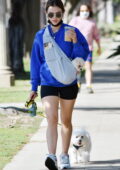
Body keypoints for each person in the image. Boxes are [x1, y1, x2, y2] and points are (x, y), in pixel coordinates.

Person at [28, 0, 89, 169]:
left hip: (68, 82)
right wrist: (34, 86)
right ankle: (51, 156)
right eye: (51, 14)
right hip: (48, 82)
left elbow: (83, 54)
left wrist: (75, 41)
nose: (54, 17)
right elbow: (35, 61)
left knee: (66, 121)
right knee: (51, 118)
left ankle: (64, 155)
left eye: (58, 14)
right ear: (46, 14)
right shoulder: (40, 36)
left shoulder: (72, 31)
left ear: (63, 13)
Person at [69, 3, 101, 93]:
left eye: (86, 11)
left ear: (89, 11)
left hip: (88, 49)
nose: (84, 12)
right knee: (77, 67)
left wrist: (99, 47)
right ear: (79, 11)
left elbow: (96, 36)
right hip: (76, 49)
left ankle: (89, 85)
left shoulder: (92, 22)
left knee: (88, 67)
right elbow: (68, 31)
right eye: (82, 11)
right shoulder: (75, 20)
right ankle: (77, 83)